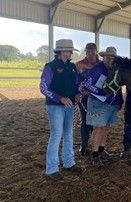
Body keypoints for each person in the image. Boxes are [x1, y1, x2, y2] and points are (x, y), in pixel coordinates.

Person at [40, 39, 83, 180]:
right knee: (56, 135)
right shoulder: (50, 66)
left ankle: (69, 163)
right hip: (55, 106)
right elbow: (43, 88)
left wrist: (78, 94)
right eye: (69, 50)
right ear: (61, 51)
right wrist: (60, 98)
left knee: (68, 134)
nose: (71, 53)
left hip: (70, 106)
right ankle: (51, 169)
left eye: (71, 50)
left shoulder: (72, 67)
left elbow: (77, 84)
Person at [83, 47, 123, 167]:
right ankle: (95, 155)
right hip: (97, 103)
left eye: (112, 57)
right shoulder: (97, 69)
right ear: (103, 57)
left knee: (106, 127)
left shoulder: (115, 70)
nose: (110, 59)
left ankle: (101, 149)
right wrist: (102, 93)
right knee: (98, 128)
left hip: (111, 103)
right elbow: (88, 85)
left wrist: (120, 100)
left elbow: (118, 87)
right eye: (108, 56)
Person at [76, 43, 100, 155]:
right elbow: (76, 80)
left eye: (92, 50)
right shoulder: (79, 64)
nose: (90, 53)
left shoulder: (101, 64)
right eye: (88, 51)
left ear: (96, 51)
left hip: (98, 98)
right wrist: (78, 91)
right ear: (85, 51)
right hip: (84, 97)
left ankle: (97, 147)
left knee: (97, 123)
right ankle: (84, 145)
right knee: (85, 121)